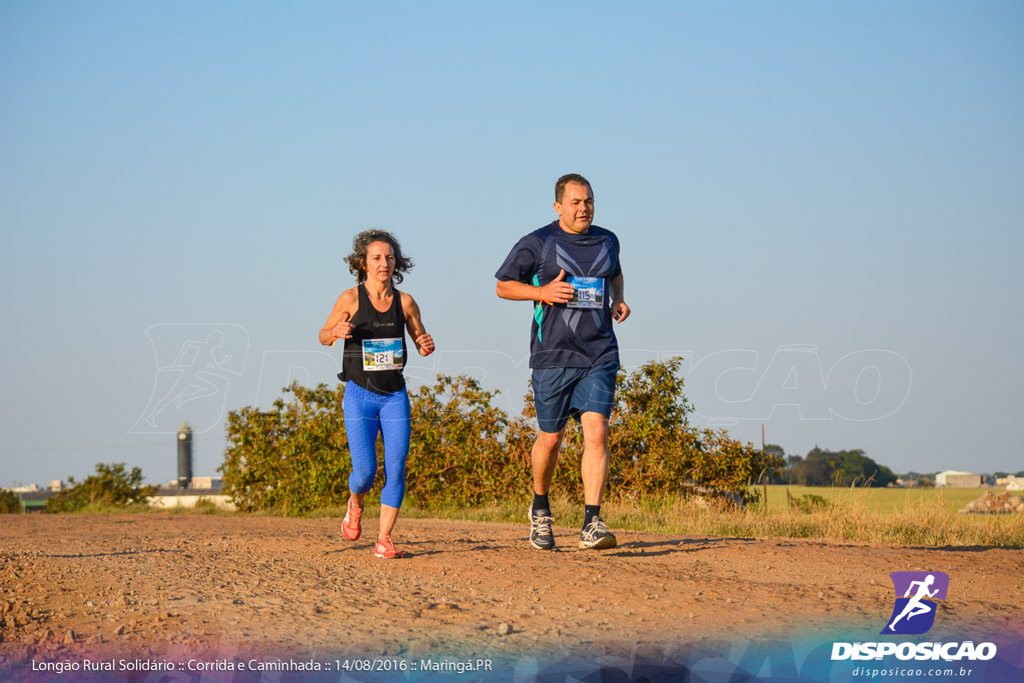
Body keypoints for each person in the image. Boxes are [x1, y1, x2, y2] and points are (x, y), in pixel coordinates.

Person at [495, 173, 630, 550]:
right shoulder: (538, 242)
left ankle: (592, 521)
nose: (583, 207)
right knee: (551, 439)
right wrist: (541, 291)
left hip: (599, 351)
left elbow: (615, 275)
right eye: (575, 202)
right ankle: (540, 510)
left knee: (598, 432)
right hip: (553, 354)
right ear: (558, 207)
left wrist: (617, 300)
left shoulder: (608, 240)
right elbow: (503, 285)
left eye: (588, 201)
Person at [319, 230, 434, 559]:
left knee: (396, 468)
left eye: (389, 257)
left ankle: (384, 538)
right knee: (366, 472)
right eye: (377, 258)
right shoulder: (350, 299)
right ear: (363, 263)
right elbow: (323, 335)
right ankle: (355, 502)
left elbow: (421, 338)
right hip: (360, 395)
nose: (384, 263)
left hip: (395, 395)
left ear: (396, 262)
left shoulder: (406, 302)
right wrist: (335, 332)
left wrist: (426, 344)